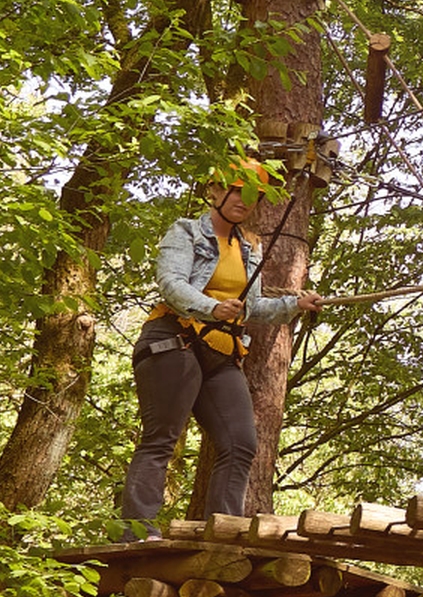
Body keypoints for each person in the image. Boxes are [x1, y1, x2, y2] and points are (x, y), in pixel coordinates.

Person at [123, 155, 316, 530]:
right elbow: (172, 284)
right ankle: (136, 530)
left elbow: (253, 307)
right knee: (161, 438)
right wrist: (212, 308)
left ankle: (224, 531)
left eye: (254, 195)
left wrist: (295, 304)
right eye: (237, 190)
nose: (245, 200)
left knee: (240, 443)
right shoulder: (186, 233)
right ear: (214, 190)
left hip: (220, 352)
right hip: (174, 340)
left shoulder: (248, 247)